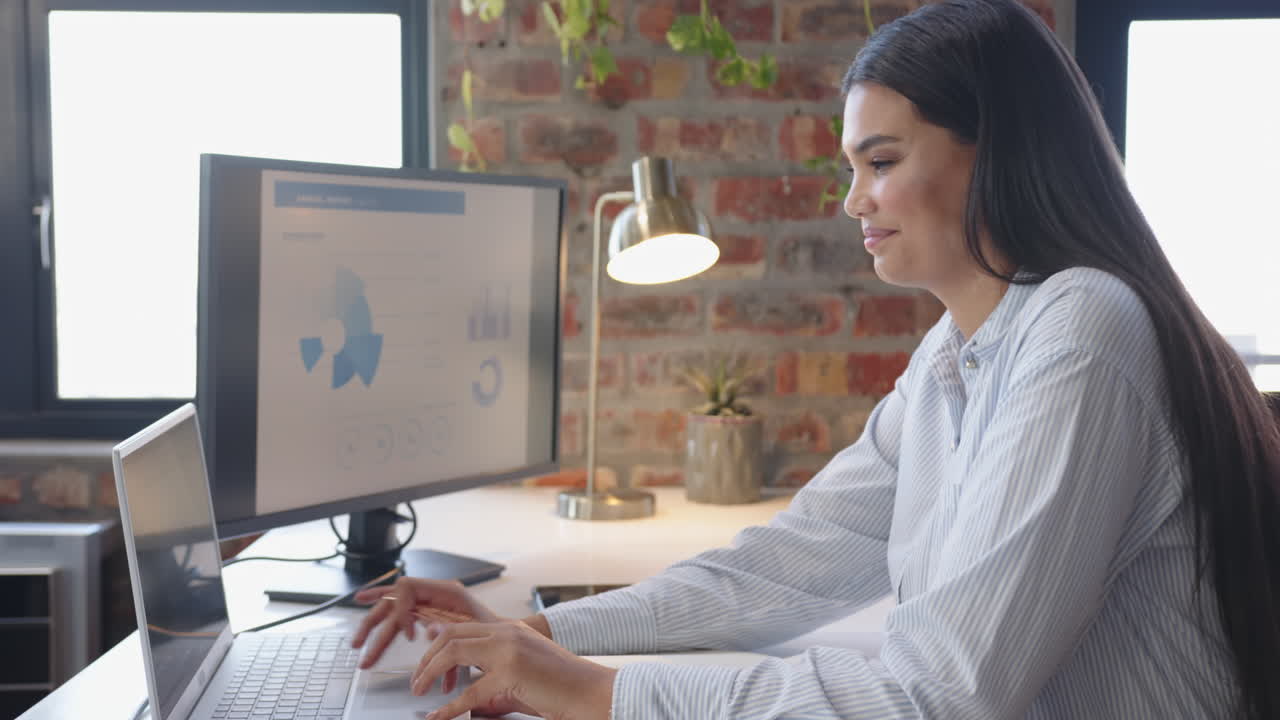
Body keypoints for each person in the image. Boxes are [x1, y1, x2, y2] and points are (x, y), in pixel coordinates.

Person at [351, 1, 1280, 717]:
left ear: (993, 153)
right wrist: (535, 631)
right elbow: (784, 566)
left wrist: (600, 693)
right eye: (851, 168)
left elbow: (941, 695)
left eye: (880, 162)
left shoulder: (1084, 332)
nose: (853, 202)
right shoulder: (955, 356)